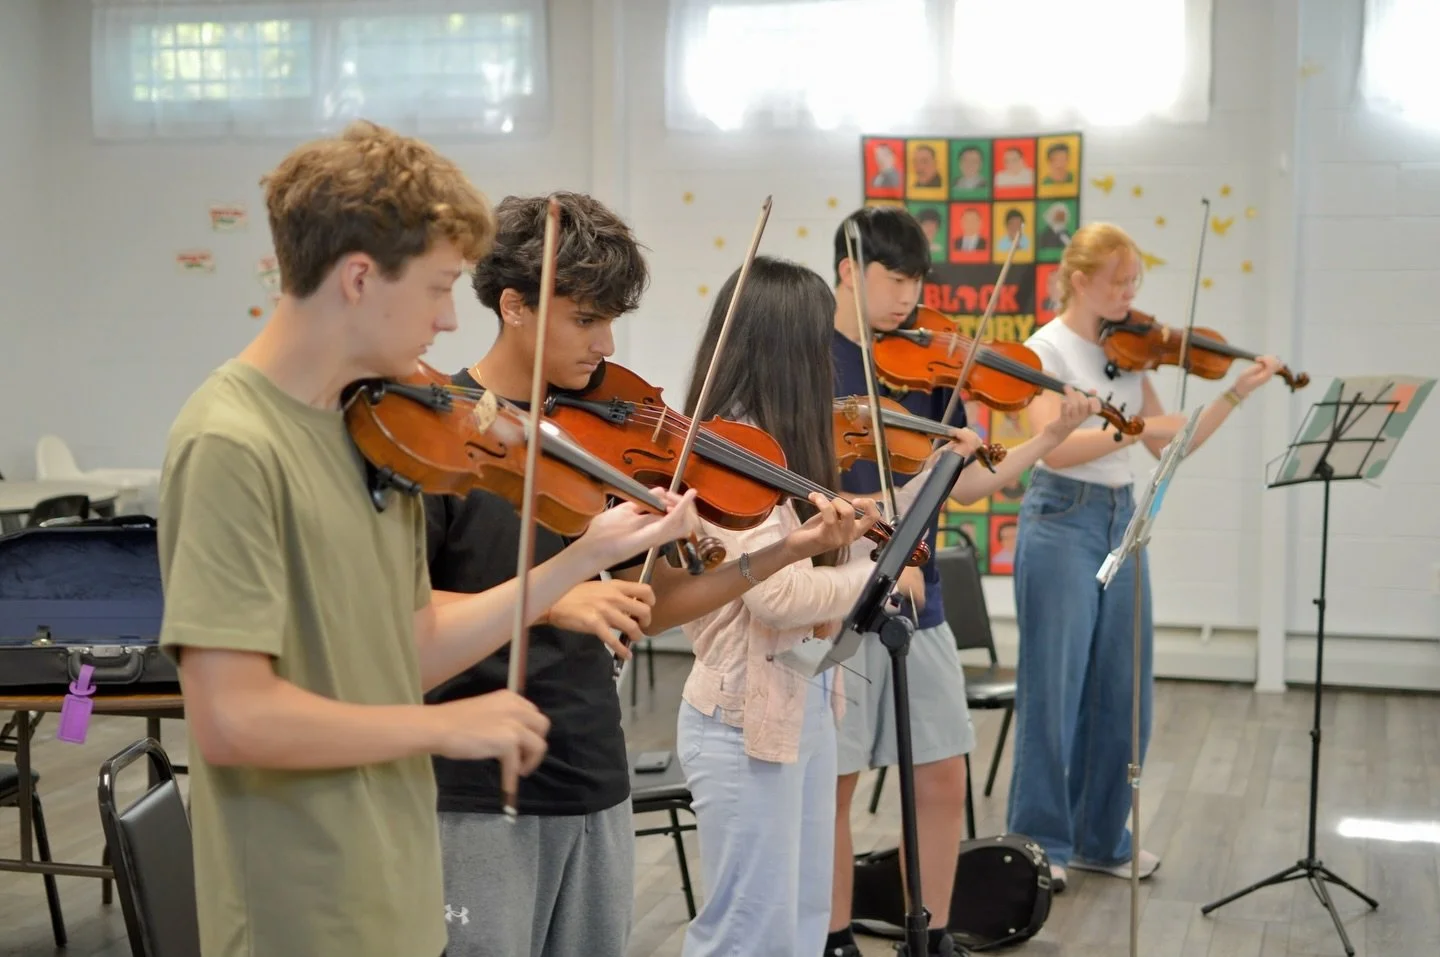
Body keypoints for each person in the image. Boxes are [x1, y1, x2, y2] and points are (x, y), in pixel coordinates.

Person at [156, 123, 697, 957]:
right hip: (305, 905)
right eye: (440, 288)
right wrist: (443, 728)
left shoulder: (370, 432)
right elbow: (231, 719)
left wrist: (581, 558)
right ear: (360, 278)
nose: (450, 319)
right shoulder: (233, 439)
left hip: (398, 881)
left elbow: (403, 645)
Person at [426, 192, 874, 957]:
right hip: (479, 780)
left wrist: (782, 551)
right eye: (585, 318)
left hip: (595, 762)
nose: (605, 342)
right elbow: (408, 612)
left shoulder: (608, 437)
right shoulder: (439, 434)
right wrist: (555, 601)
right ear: (515, 306)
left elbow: (655, 607)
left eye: (612, 320)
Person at [826, 205, 1097, 957]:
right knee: (837, 781)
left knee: (943, 773)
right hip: (835, 599)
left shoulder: (928, 362)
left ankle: (933, 932)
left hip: (920, 599)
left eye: (918, 280)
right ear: (851, 270)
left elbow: (969, 488)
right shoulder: (809, 355)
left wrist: (1046, 434)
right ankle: (834, 934)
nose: (910, 297)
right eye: (896, 279)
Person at [672, 254, 946, 957]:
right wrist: (875, 576)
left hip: (805, 696)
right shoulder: (727, 449)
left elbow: (814, 559)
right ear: (785, 348)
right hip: (741, 716)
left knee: (800, 919)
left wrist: (868, 535)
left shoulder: (779, 442)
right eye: (816, 342)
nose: (828, 359)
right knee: (747, 932)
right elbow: (774, 592)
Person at [1006, 221, 1280, 892]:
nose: (1131, 293)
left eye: (1135, 282)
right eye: (1119, 281)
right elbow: (1055, 446)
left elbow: (1170, 444)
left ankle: (1102, 837)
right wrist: (1133, 427)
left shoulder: (1127, 351)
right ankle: (1039, 842)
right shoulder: (1044, 349)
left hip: (1122, 519)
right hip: (1060, 518)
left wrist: (1236, 392)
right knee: (1055, 690)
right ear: (1079, 281)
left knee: (1123, 692)